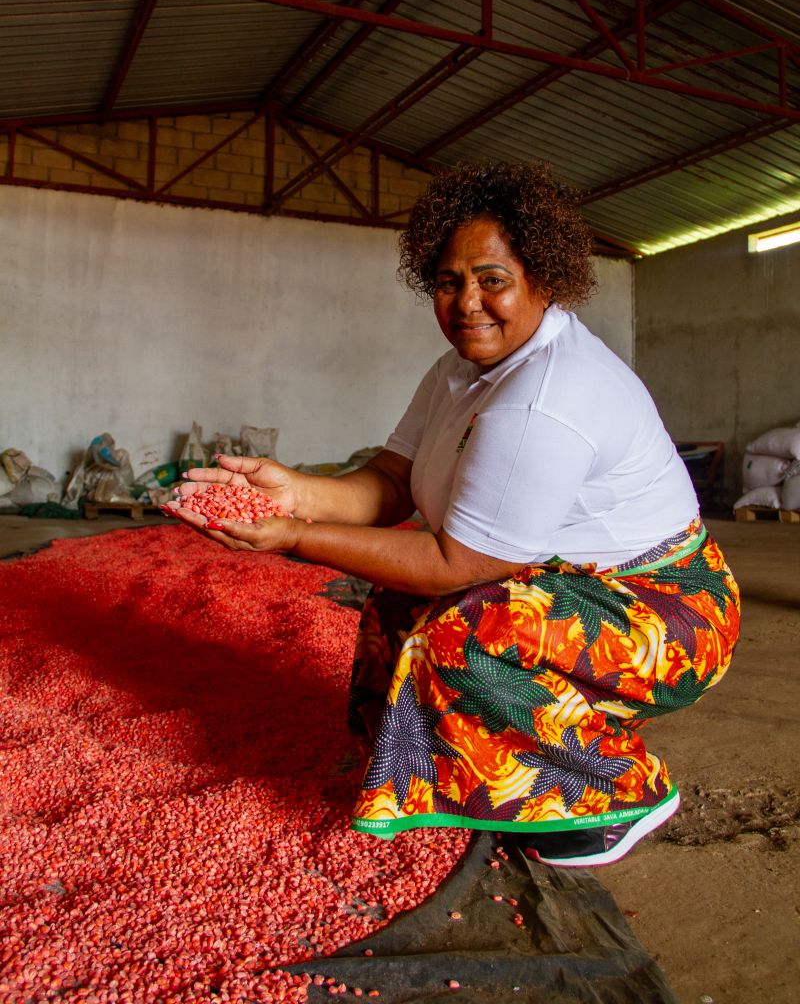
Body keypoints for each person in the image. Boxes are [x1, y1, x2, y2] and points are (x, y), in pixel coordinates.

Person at [168, 161, 740, 869]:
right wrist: (295, 491)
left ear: (544, 280)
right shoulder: (460, 370)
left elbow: (458, 564)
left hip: (666, 615)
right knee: (396, 601)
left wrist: (295, 538)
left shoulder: (546, 396)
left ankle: (610, 798)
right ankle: (447, 763)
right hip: (572, 585)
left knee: (467, 635)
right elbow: (391, 481)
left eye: (492, 280)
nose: (468, 301)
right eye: (448, 281)